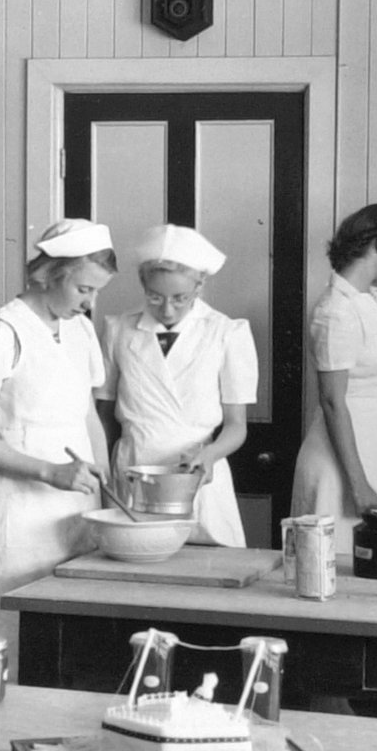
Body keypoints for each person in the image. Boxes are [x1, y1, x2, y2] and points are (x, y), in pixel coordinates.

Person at [0, 218, 114, 676]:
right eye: (84, 289)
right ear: (49, 274)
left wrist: (102, 475)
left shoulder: (79, 330)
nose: (91, 302)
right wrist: (49, 472)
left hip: (74, 507)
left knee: (65, 638)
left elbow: (85, 413)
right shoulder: (4, 333)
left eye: (97, 291)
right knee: (5, 634)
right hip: (16, 510)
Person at [98, 225, 258, 547]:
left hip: (199, 476)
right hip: (133, 474)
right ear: (143, 286)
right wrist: (104, 478)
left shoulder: (227, 333)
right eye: (155, 297)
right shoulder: (119, 330)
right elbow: (102, 414)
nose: (167, 310)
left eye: (180, 298)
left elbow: (236, 425)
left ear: (200, 286)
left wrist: (211, 454)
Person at [289, 203, 377, 552]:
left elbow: (374, 391)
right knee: (333, 565)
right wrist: (358, 482)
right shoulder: (336, 310)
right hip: (338, 461)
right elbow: (333, 402)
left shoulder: (372, 299)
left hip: (369, 448)